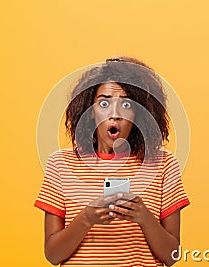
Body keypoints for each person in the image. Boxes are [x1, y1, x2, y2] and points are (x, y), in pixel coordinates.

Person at [34, 56, 190, 267]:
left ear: (139, 113)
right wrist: (86, 218)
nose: (114, 114)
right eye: (104, 103)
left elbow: (172, 256)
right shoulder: (61, 164)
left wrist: (144, 217)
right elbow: (53, 255)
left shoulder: (164, 164)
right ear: (89, 112)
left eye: (126, 104)